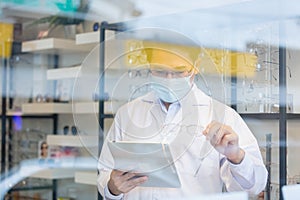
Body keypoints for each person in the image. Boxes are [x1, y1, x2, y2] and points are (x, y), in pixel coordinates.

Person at [97, 45, 268, 199]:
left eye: (179, 71)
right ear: (148, 66)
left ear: (195, 65)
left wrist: (236, 156)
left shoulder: (222, 115)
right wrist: (113, 188)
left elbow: (255, 187)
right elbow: (105, 172)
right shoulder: (127, 113)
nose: (170, 79)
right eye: (160, 71)